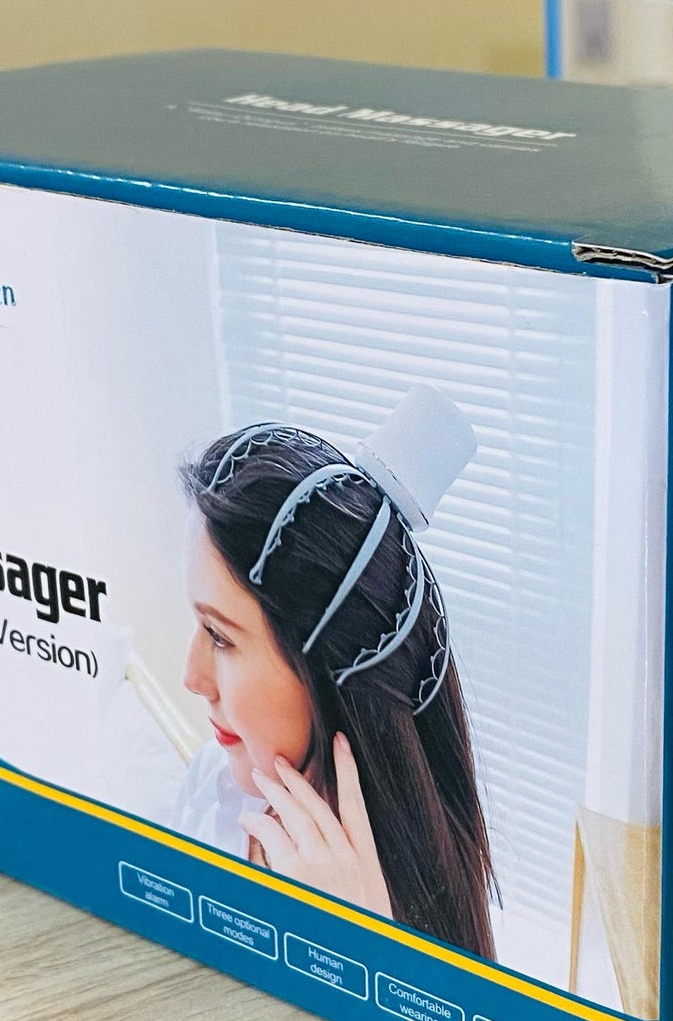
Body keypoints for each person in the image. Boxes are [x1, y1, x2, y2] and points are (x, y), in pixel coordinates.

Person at [168, 390, 497, 963]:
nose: (191, 677)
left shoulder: (411, 938)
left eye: (220, 637)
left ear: (325, 670)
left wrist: (359, 952)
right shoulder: (212, 788)